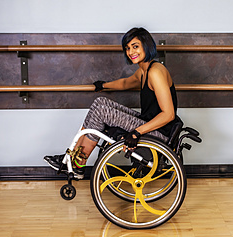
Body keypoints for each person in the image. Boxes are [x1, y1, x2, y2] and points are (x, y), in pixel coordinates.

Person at [44, 27, 179, 179]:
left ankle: (78, 163)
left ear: (146, 45)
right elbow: (126, 83)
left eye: (135, 46)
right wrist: (103, 86)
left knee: (102, 112)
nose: (131, 52)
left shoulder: (156, 72)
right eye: (127, 48)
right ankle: (72, 156)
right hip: (150, 123)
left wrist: (137, 132)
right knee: (100, 102)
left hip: (160, 133)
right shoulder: (144, 70)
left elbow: (168, 114)